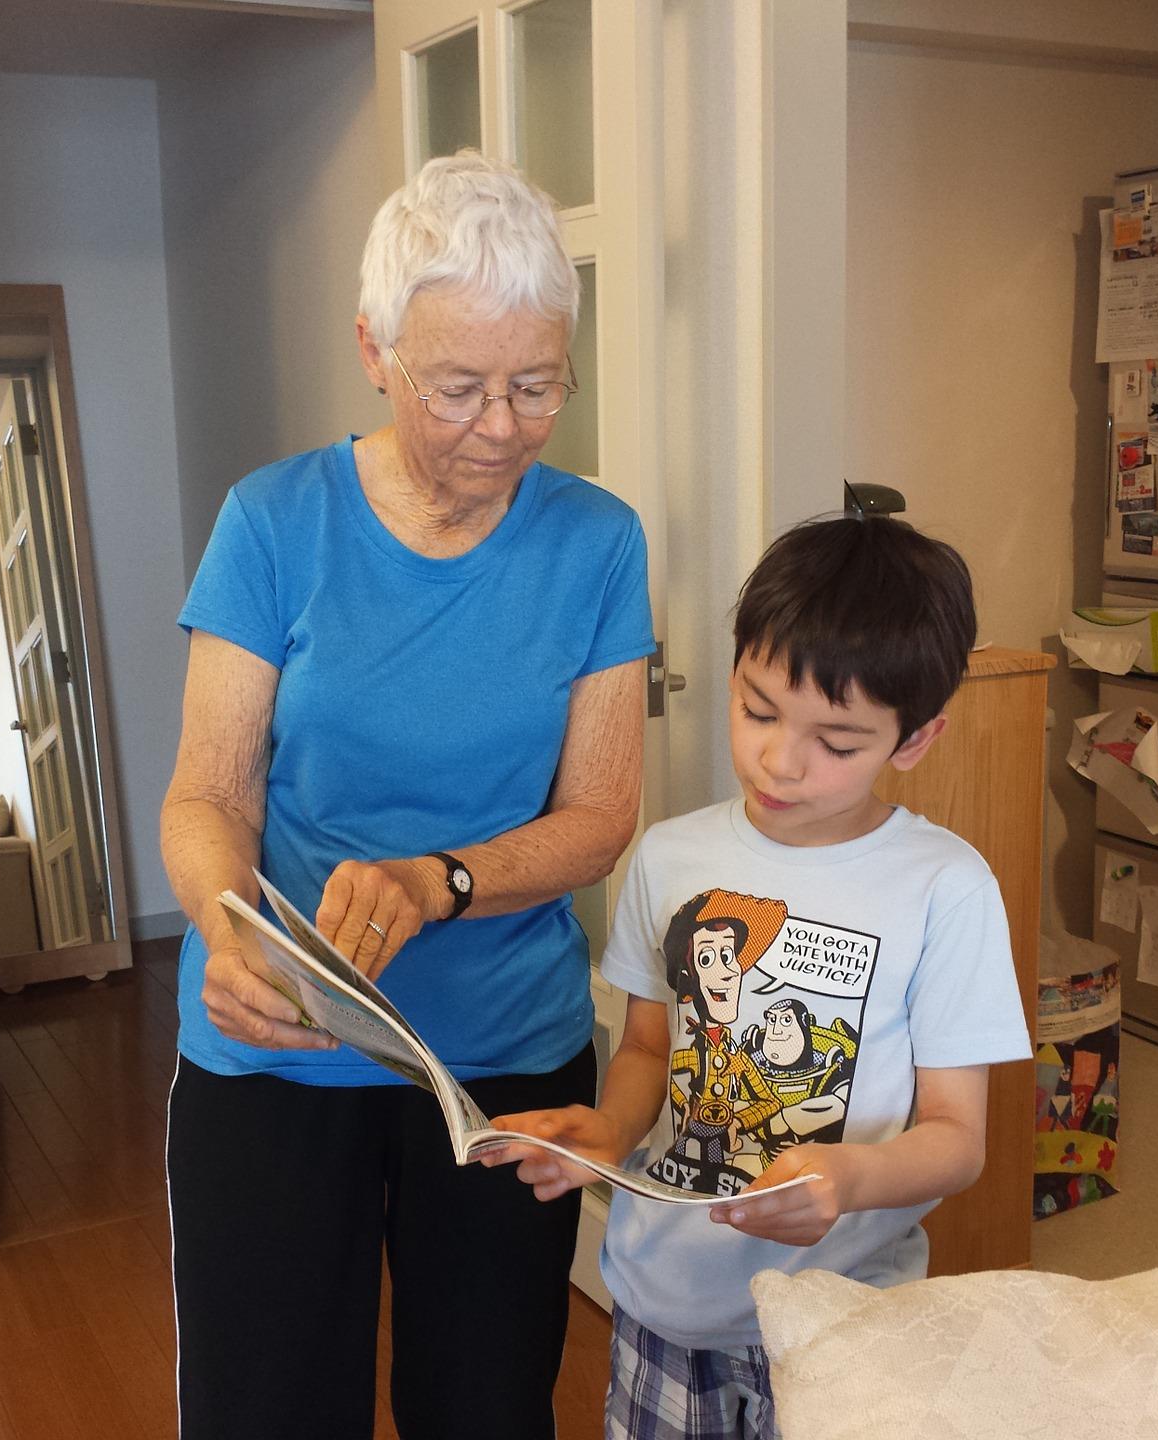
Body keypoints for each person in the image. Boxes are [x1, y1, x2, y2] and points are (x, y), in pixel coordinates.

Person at [160, 151, 654, 1439]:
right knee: (266, 1408)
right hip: (279, 1053)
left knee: (486, 1409)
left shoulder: (598, 542)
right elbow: (207, 793)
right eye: (459, 386)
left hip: (505, 1061)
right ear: (374, 350)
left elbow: (600, 815)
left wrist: (442, 884)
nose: (502, 425)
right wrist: (225, 929)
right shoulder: (273, 524)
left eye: (537, 385)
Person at [487, 513, 1031, 1439]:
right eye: (759, 710)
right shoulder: (670, 856)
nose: (781, 760)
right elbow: (652, 1044)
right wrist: (609, 1129)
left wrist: (846, 1179)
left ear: (915, 740)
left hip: (842, 1317)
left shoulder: (947, 887)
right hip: (665, 1303)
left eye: (838, 741)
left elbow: (958, 1139)